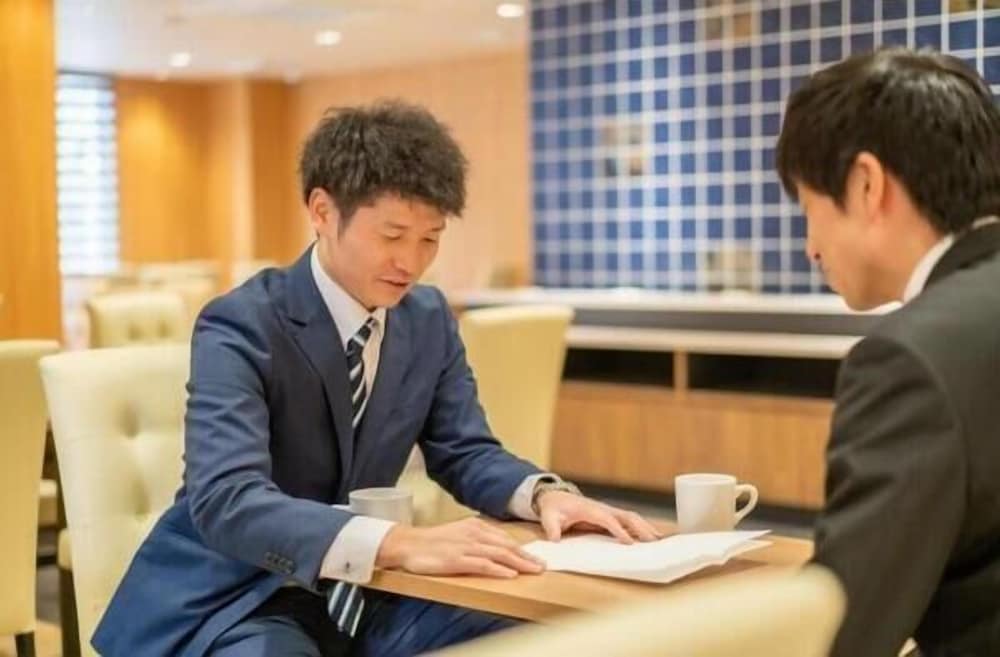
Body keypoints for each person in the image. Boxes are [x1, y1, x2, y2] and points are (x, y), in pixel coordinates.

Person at [91, 101, 660, 657]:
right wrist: (399, 543)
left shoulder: (427, 318)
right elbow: (227, 499)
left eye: (430, 238)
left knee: (541, 636)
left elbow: (465, 451)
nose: (410, 263)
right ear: (322, 211)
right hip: (240, 594)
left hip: (373, 590)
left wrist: (544, 495)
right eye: (392, 235)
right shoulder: (242, 322)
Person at [776, 48, 1000, 657]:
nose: (810, 247)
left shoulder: (910, 361)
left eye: (809, 209)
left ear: (866, 185)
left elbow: (842, 630)